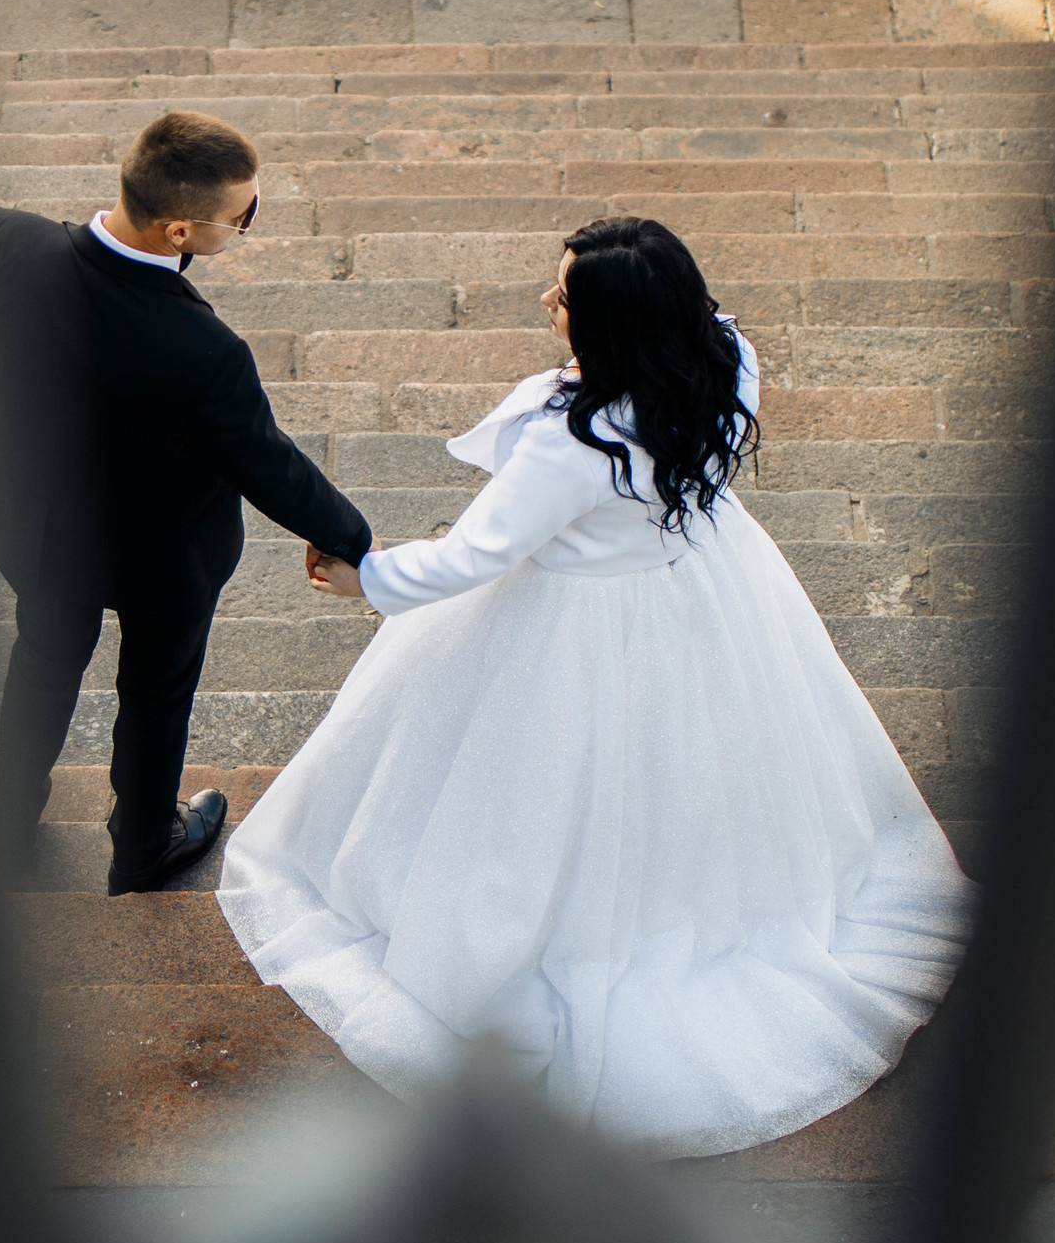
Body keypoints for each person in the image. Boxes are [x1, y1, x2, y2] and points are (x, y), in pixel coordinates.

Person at [216, 216, 971, 1158]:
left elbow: (476, 557)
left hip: (573, 621)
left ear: (612, 324)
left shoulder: (569, 446)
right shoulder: (720, 355)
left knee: (546, 789)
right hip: (698, 582)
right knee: (692, 767)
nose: (547, 301)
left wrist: (361, 578)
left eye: (564, 295)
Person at [0, 110, 372, 895]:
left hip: (37, 531)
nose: (244, 223)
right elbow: (266, 465)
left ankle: (3, 827)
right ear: (179, 230)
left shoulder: (6, 239)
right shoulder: (203, 350)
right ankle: (141, 846)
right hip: (163, 556)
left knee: (40, 661)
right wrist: (350, 536)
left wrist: (0, 456)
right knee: (155, 693)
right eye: (241, 217)